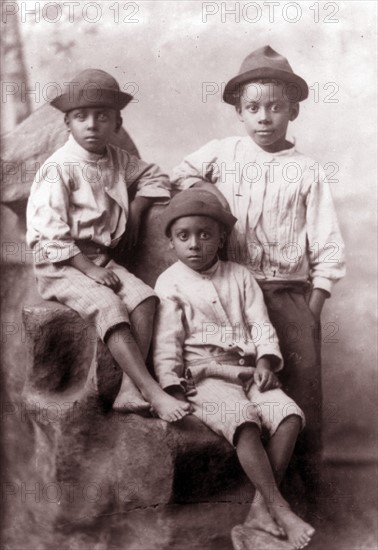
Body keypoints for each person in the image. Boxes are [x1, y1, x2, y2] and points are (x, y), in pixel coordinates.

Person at [171, 46, 346, 503]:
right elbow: (180, 177)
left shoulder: (307, 171)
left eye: (275, 107)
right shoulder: (223, 153)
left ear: (293, 109)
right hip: (230, 291)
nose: (264, 117)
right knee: (243, 392)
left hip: (288, 295)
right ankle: (243, 494)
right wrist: (208, 196)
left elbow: (327, 245)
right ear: (238, 112)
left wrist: (310, 310)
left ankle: (293, 499)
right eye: (253, 108)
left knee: (298, 398)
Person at [153, 189, 315, 549]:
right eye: (184, 237)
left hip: (248, 370)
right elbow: (167, 344)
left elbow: (261, 326)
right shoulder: (170, 283)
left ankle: (260, 509)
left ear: (222, 237)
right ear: (171, 243)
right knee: (244, 420)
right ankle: (280, 508)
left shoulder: (239, 276)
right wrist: (173, 387)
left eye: (205, 234)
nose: (195, 244)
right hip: (205, 375)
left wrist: (264, 362)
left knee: (289, 415)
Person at [26, 68, 190, 422]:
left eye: (102, 117)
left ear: (116, 122)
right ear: (67, 123)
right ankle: (150, 388)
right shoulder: (59, 168)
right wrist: (89, 270)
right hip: (62, 263)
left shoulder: (116, 159)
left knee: (145, 299)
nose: (92, 125)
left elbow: (155, 175)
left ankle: (129, 392)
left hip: (101, 258)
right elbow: (49, 231)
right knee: (109, 306)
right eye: (81, 117)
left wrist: (136, 206)